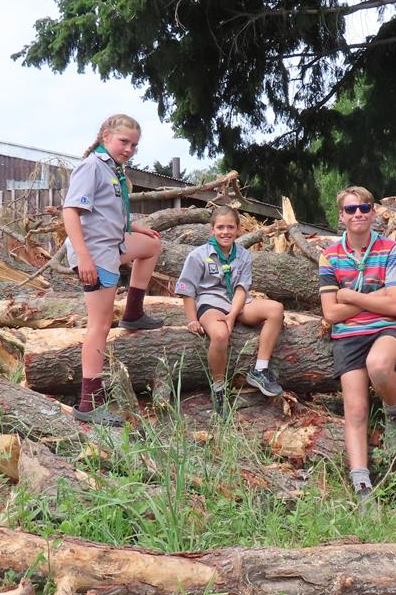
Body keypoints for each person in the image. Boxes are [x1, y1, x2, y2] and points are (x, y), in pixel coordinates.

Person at [62, 113, 165, 426]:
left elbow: (106, 212)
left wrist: (135, 227)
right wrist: (84, 258)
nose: (129, 149)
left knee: (152, 246)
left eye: (134, 145)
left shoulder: (112, 169)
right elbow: (70, 212)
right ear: (106, 136)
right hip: (95, 251)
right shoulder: (92, 166)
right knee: (100, 325)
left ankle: (133, 313)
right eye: (124, 142)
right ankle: (89, 402)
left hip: (113, 243)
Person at [318, 186, 396, 503]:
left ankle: (394, 410)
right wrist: (374, 297)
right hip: (348, 335)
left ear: (373, 212)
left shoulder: (390, 249)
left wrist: (349, 296)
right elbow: (330, 314)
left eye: (364, 208)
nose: (358, 213)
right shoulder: (329, 256)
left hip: (386, 328)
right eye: (351, 209)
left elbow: (395, 305)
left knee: (379, 366)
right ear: (341, 216)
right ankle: (361, 484)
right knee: (355, 409)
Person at [175, 206, 286, 412]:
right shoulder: (198, 255)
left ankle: (260, 370)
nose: (225, 232)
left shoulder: (243, 255)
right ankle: (218, 387)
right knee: (219, 334)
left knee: (276, 309)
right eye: (220, 227)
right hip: (210, 303)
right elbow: (187, 290)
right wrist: (192, 319)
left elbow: (241, 288)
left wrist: (233, 314)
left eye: (230, 227)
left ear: (238, 229)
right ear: (212, 230)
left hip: (237, 302)